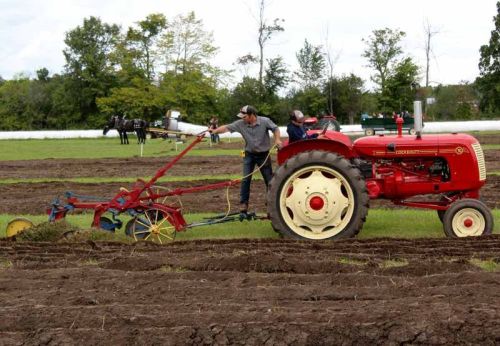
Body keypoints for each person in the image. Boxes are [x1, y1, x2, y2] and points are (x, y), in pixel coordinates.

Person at [209, 105, 282, 214]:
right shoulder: (240, 124)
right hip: (249, 155)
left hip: (263, 155)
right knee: (245, 179)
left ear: (252, 115)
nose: (242, 118)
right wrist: (214, 131)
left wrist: (277, 140)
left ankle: (271, 203)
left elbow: (275, 128)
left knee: (269, 180)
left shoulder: (265, 121)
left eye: (244, 116)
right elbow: (226, 128)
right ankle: (243, 204)